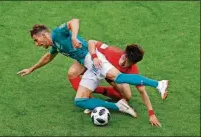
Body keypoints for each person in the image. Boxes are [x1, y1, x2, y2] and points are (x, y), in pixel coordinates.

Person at [17, 19, 168, 123]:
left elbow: (74, 21)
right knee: (79, 101)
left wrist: (74, 37)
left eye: (36, 40)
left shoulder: (57, 33)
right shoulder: (55, 45)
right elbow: (48, 57)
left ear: (43, 35)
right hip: (89, 66)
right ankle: (119, 106)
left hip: (93, 58)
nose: (37, 44)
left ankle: (158, 84)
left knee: (119, 78)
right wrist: (31, 69)